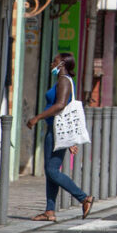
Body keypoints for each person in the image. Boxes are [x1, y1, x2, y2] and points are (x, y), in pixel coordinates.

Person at [26, 52, 95, 222]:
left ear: (62, 63)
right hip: (56, 130)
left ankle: (84, 198)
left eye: (54, 61)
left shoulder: (64, 81)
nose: (51, 63)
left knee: (51, 170)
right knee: (51, 171)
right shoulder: (62, 81)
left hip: (56, 131)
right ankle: (50, 211)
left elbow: (60, 105)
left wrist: (37, 117)